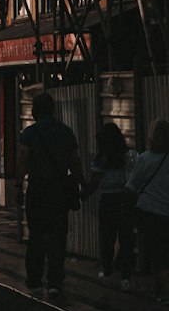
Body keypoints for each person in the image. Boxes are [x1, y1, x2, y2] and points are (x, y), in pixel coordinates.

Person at [15, 92, 85, 297]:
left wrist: (18, 187)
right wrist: (83, 184)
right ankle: (55, 280)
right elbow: (75, 162)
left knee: (36, 236)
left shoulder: (29, 134)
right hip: (59, 192)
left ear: (35, 111)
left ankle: (35, 279)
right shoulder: (65, 132)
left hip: (37, 191)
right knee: (57, 237)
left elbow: (22, 161)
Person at [82, 121, 136, 289]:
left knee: (107, 238)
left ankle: (106, 271)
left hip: (108, 201)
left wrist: (81, 194)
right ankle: (126, 277)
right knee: (126, 239)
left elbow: (94, 183)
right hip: (125, 201)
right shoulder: (130, 156)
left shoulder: (101, 159)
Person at [127, 118, 169, 304]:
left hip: (149, 213)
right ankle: (159, 289)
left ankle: (163, 290)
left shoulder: (144, 159)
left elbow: (132, 187)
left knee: (156, 253)